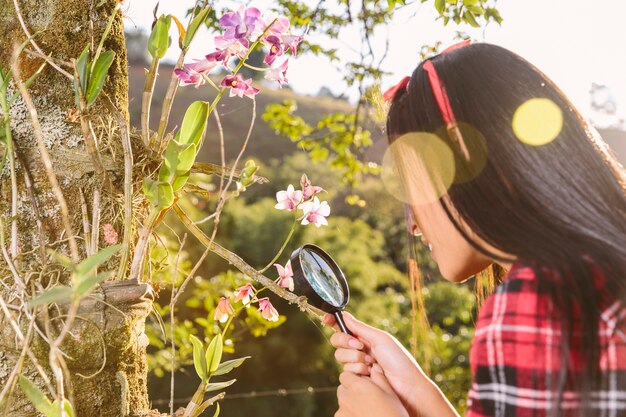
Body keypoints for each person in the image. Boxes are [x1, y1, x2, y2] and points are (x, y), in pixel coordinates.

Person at [323, 42, 626, 417]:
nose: (414, 224)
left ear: (465, 155)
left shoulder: (539, 300)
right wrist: (419, 395)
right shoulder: (595, 271)